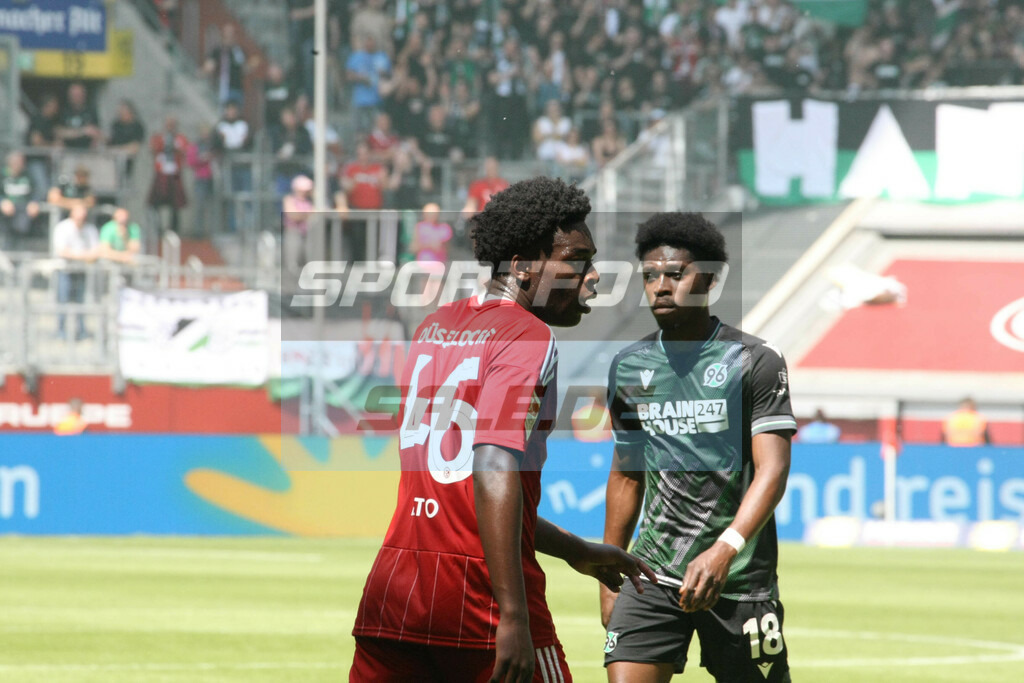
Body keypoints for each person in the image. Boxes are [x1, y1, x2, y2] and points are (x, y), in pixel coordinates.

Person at [351, 177, 655, 682]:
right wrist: (511, 615)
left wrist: (576, 550)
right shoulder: (527, 335)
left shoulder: (435, 327)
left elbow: (464, 497)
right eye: (576, 259)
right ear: (522, 266)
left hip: (395, 592)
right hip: (479, 600)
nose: (594, 276)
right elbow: (492, 462)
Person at [602, 212, 796, 683]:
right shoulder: (629, 367)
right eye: (650, 276)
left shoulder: (755, 361)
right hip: (650, 574)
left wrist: (724, 550)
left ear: (707, 279)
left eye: (675, 274)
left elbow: (772, 471)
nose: (660, 287)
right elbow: (627, 473)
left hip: (738, 579)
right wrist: (610, 569)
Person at [52, 204, 99, 341]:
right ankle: (61, 332)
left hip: (81, 271)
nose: (80, 220)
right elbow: (62, 252)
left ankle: (82, 331)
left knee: (81, 303)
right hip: (64, 270)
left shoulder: (90, 229)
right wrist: (85, 255)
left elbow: (96, 251)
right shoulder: (63, 228)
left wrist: (76, 255)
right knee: (63, 301)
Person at [147, 117, 189, 235]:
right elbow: (153, 149)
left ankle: (174, 229)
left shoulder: (180, 139)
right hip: (162, 172)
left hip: (174, 173)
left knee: (175, 203)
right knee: (156, 202)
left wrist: (175, 148)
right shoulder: (159, 138)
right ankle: (158, 228)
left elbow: (184, 150)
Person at [1, 151, 41, 248]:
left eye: (20, 162)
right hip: (6, 214)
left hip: (24, 212)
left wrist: (34, 202)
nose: (18, 165)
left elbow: (38, 190)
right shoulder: (2, 175)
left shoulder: (28, 175)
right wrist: (2, 201)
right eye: (16, 162)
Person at [282, 174, 314, 279]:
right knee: (293, 261)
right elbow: (292, 215)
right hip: (293, 232)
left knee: (309, 258)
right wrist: (307, 214)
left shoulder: (310, 201)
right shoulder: (289, 199)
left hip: (308, 233)